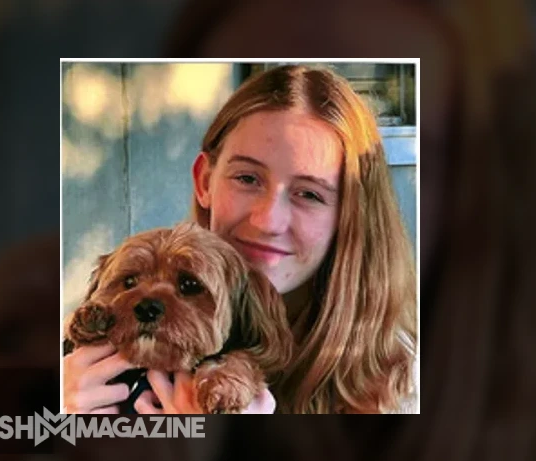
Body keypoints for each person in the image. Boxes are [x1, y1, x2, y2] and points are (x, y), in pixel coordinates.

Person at [63, 64, 418, 414]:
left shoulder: (406, 385)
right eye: (247, 178)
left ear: (350, 215)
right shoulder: (78, 357)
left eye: (309, 194)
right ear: (205, 181)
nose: (267, 221)